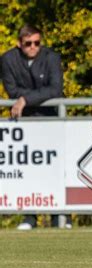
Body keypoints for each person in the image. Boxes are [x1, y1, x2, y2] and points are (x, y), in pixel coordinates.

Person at [1, 24, 71, 230]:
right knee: (27, 170)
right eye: (28, 43)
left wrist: (25, 99)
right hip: (24, 124)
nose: (33, 47)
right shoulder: (7, 59)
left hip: (51, 122)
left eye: (37, 43)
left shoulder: (51, 57)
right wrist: (29, 97)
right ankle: (29, 217)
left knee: (57, 169)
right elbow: (11, 90)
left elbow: (55, 89)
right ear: (19, 44)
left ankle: (62, 216)